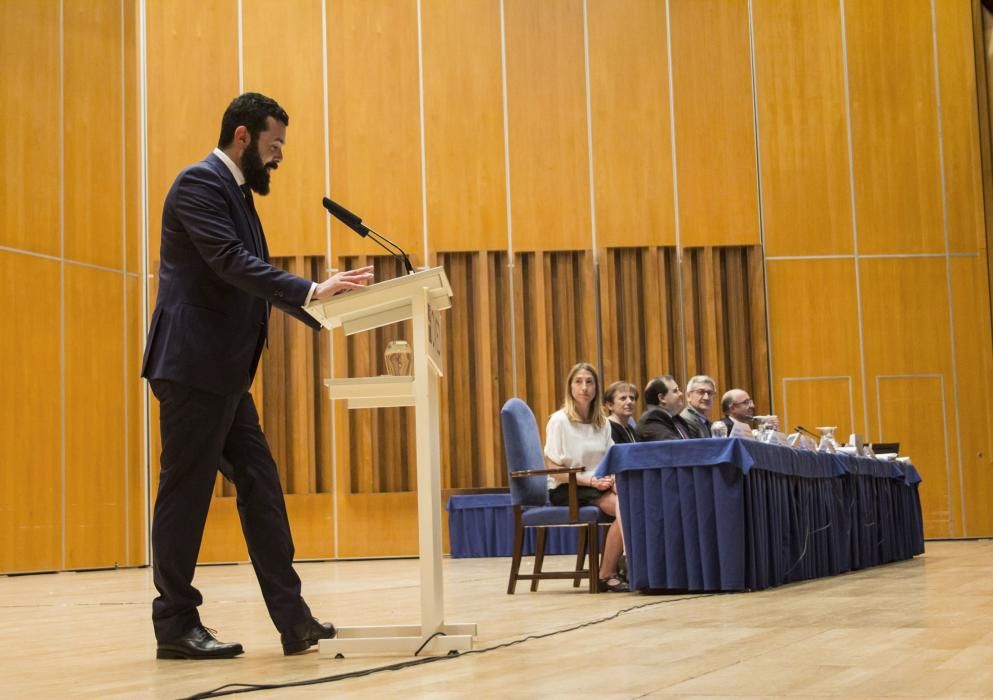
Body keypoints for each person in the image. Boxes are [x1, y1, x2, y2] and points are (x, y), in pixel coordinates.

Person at [141, 93, 374, 660]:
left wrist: (319, 301)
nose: (278, 159)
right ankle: (174, 623)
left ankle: (294, 622)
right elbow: (229, 262)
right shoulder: (198, 184)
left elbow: (250, 275)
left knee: (261, 488)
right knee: (187, 493)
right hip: (192, 367)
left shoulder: (237, 194)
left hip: (222, 374)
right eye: (273, 146)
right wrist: (309, 291)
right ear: (242, 137)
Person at [544, 363, 628, 592]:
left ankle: (624, 566)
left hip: (599, 484)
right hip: (568, 487)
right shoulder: (559, 421)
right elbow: (552, 468)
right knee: (625, 507)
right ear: (570, 387)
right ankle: (607, 573)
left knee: (631, 501)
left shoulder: (602, 422)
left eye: (589, 382)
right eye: (579, 382)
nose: (584, 387)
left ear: (597, 388)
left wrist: (613, 479)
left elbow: (612, 458)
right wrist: (591, 481)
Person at [635, 375, 694, 441]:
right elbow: (674, 447)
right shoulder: (651, 420)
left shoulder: (677, 419)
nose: (681, 394)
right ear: (662, 398)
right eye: (675, 391)